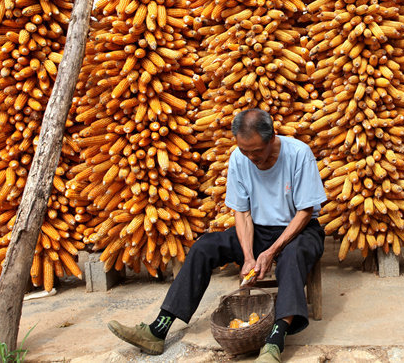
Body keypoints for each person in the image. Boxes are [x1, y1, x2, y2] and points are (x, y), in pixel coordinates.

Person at [107, 108, 327, 362]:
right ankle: (158, 330)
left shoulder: (299, 154)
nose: (252, 158)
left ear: (272, 137)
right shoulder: (239, 158)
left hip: (299, 229)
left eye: (256, 151)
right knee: (205, 246)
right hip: (259, 229)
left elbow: (304, 211)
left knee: (293, 255)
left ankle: (275, 342)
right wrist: (248, 256)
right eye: (245, 151)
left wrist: (271, 251)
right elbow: (242, 213)